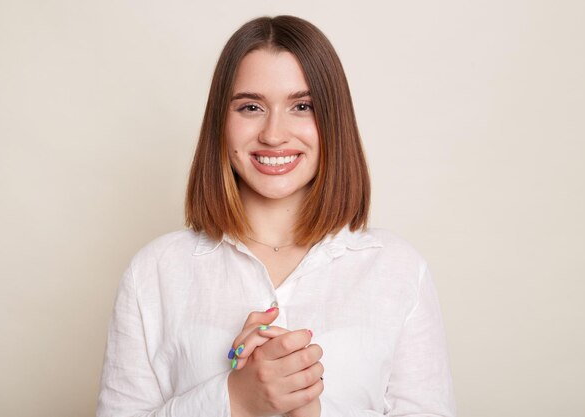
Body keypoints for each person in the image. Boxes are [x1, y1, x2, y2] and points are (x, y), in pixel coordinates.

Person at [97, 15, 456, 417]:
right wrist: (234, 399)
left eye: (302, 106)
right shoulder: (153, 273)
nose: (273, 133)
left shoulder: (399, 270)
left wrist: (311, 411)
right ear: (222, 121)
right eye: (251, 107)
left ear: (333, 122)